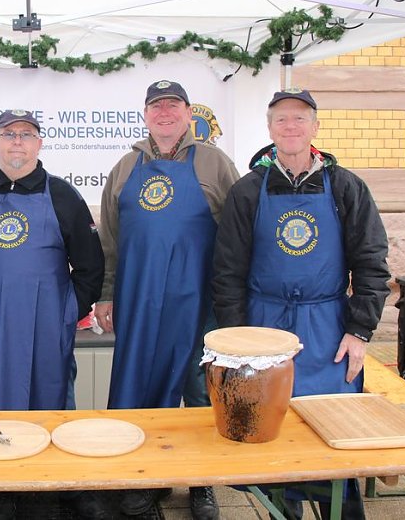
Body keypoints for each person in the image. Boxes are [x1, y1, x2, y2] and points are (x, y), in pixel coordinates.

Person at [211, 88, 391, 519]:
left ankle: (342, 511)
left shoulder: (346, 187)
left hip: (327, 324)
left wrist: (360, 330)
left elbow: (371, 261)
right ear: (269, 129)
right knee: (273, 426)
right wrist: (237, 342)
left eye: (299, 119)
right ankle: (282, 510)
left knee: (333, 428)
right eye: (281, 120)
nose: (290, 127)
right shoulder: (248, 190)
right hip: (264, 324)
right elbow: (227, 271)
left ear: (315, 127)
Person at [94, 80, 239, 520]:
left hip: (200, 302)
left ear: (188, 112)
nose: (164, 113)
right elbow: (109, 240)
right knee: (141, 388)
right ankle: (144, 476)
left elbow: (236, 236)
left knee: (201, 393)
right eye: (156, 106)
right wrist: (105, 294)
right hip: (139, 299)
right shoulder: (124, 167)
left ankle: (201, 483)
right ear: (145, 114)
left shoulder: (215, 163)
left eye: (172, 105)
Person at [0, 109, 107, 519]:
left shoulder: (63, 195)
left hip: (48, 322)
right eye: (8, 134)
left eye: (26, 134)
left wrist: (66, 312)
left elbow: (91, 264)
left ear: (39, 143)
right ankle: (1, 486)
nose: (17, 142)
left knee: (57, 397)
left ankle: (65, 483)